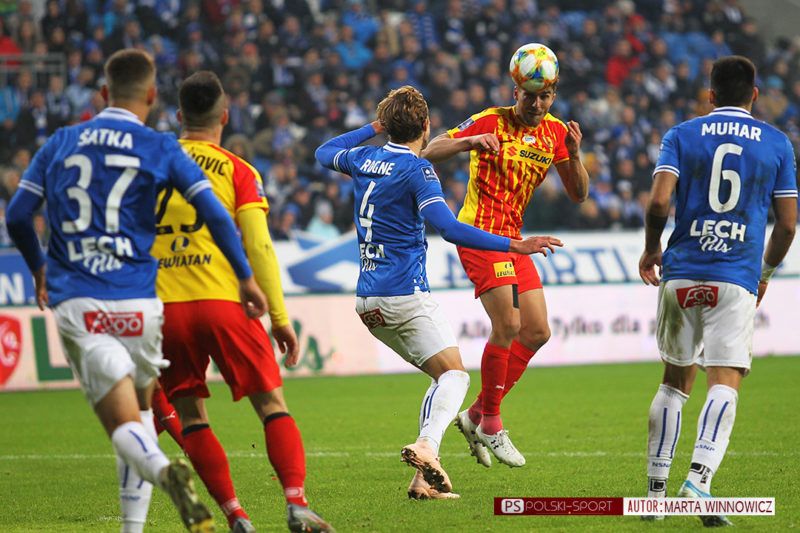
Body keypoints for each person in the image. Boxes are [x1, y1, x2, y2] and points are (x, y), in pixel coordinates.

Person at [6, 49, 268, 533]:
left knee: (124, 424)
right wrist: (245, 276)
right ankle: (133, 528)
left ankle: (164, 470)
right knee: (142, 414)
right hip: (142, 305)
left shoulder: (62, 141)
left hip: (81, 298)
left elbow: (19, 215)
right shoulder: (159, 146)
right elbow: (214, 213)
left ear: (103, 93)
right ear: (150, 95)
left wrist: (39, 268)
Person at [315, 85, 563, 498]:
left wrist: (374, 127)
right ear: (427, 126)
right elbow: (448, 228)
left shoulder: (363, 158)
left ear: (387, 125)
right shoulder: (418, 170)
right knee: (454, 377)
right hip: (403, 294)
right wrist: (514, 245)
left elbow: (325, 151)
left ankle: (423, 480)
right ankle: (427, 447)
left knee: (442, 378)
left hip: (367, 300)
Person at [151, 71, 333, 533]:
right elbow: (259, 247)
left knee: (191, 416)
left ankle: (236, 515)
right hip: (225, 301)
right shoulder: (237, 170)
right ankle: (296, 504)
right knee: (271, 405)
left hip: (165, 308)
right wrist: (279, 317)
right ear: (225, 117)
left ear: (179, 116)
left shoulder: (149, 168)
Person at [639, 55, 797, 526]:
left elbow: (659, 201)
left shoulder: (681, 135)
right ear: (754, 94)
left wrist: (651, 248)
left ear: (710, 95)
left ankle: (655, 494)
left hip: (682, 271)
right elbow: (788, 225)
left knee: (674, 381)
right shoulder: (777, 143)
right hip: (735, 275)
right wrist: (764, 273)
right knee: (724, 379)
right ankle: (699, 481)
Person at [421, 47, 590, 468]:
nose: (537, 104)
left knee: (537, 331)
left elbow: (579, 194)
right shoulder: (491, 120)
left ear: (553, 95)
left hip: (515, 240)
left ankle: (475, 414)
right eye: (529, 96)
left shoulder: (555, 133)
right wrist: (469, 142)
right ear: (515, 91)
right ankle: (492, 424)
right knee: (509, 325)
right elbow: (430, 150)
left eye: (544, 96)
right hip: (480, 235)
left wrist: (575, 154)